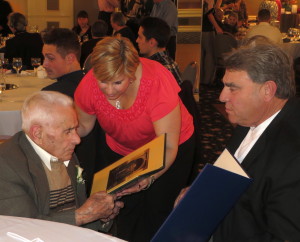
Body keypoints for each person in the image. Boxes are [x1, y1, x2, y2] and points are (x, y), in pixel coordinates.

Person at [74, 35, 195, 242]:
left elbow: (167, 146)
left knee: (159, 210)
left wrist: (148, 178)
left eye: (117, 82)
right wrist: (62, 135)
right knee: (124, 211)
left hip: (171, 145)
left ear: (132, 73)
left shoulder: (156, 81)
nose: (109, 91)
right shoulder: (89, 84)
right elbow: (84, 126)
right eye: (103, 82)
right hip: (122, 149)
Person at [178, 36, 300, 241]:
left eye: (233, 88)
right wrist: (199, 193)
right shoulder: (250, 119)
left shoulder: (293, 157)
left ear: (267, 90)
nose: (222, 97)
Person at [0, 91, 123, 230]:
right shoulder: (6, 166)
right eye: (68, 131)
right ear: (37, 133)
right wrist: (83, 216)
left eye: (75, 128)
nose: (77, 139)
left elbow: (76, 213)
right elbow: (23, 228)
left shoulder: (63, 153)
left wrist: (101, 217)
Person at [41, 28, 103, 195]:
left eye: (50, 58)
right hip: (100, 172)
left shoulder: (51, 96)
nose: (44, 64)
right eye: (44, 57)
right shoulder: (99, 85)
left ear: (70, 58)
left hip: (69, 178)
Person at [137, 16, 182, 85]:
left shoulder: (155, 70)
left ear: (152, 42)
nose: (137, 40)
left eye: (140, 37)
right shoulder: (171, 62)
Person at [201, 0, 223, 86]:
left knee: (202, 55)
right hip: (207, 30)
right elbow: (209, 13)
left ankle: (201, 78)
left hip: (200, 30)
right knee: (210, 55)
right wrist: (217, 27)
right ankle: (207, 80)